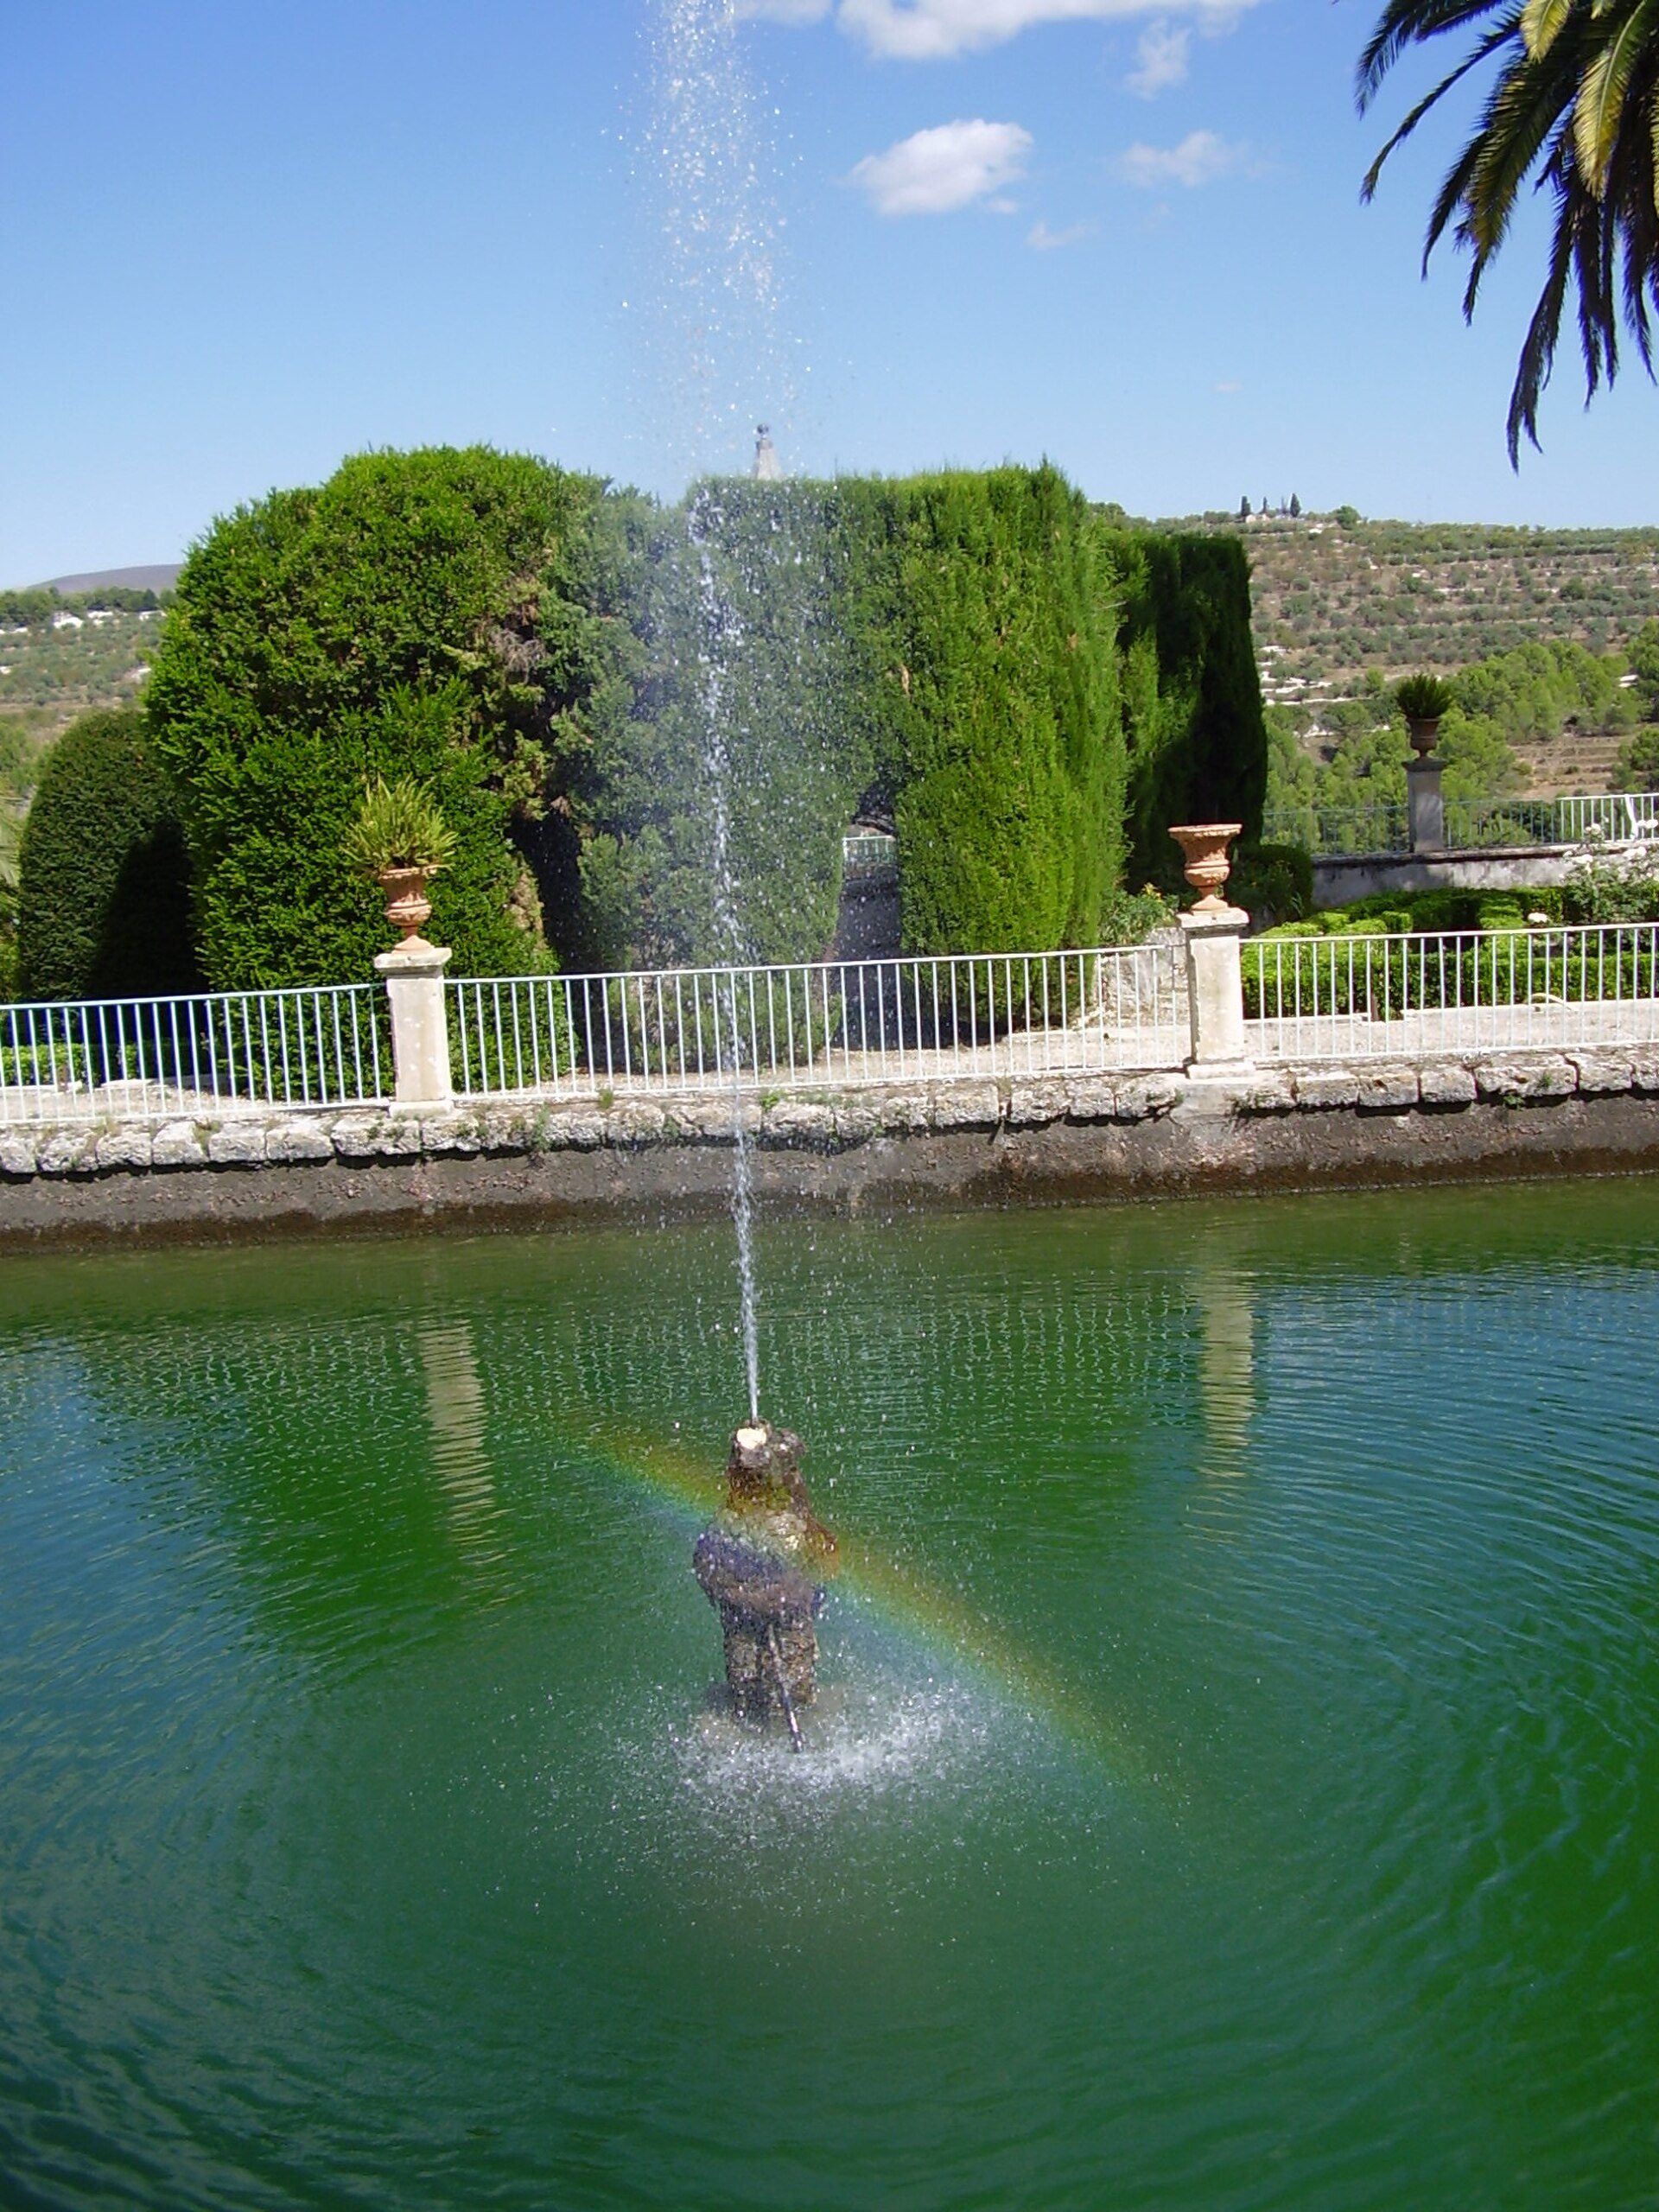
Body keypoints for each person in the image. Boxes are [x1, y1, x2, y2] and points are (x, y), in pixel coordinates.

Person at [693, 1420, 836, 1729]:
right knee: (746, 1681)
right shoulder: (727, 1525)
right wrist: (749, 1598)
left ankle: (793, 1717)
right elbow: (706, 1569)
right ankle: (751, 1720)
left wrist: (788, 1592)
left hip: (788, 1617)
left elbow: (817, 1566)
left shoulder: (794, 1521)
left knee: (792, 1682)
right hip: (743, 1619)